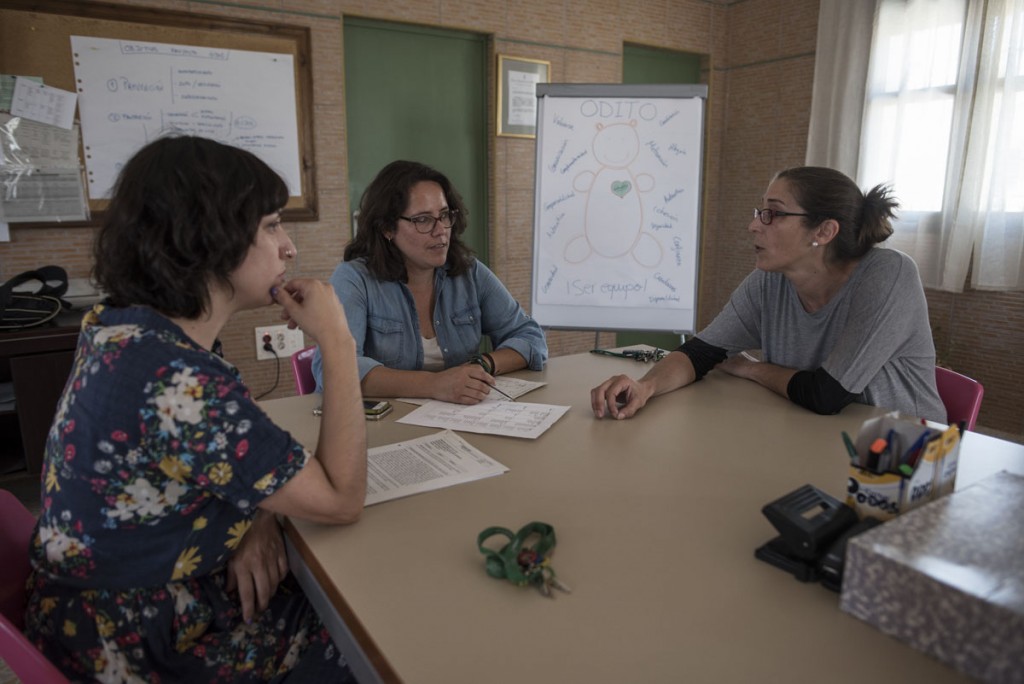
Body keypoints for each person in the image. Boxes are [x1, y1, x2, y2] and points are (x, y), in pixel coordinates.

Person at [25, 135, 367, 682]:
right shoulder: (178, 381)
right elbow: (341, 498)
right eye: (272, 226)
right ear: (214, 239)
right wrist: (339, 341)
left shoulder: (121, 330)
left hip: (89, 614)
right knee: (361, 629)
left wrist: (254, 510)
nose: (289, 248)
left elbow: (212, 466)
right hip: (141, 646)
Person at [591, 166, 946, 423]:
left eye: (772, 213)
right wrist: (645, 387)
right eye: (760, 211)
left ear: (823, 231)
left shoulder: (888, 275)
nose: (754, 224)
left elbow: (825, 394)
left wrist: (752, 369)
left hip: (905, 456)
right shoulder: (770, 281)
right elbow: (700, 353)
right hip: (815, 435)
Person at [312, 160, 547, 404]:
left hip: (462, 419)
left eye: (444, 215)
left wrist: (483, 364)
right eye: (423, 220)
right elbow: (334, 372)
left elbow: (530, 336)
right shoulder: (354, 279)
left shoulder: (469, 272)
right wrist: (436, 384)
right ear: (387, 228)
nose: (440, 230)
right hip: (385, 427)